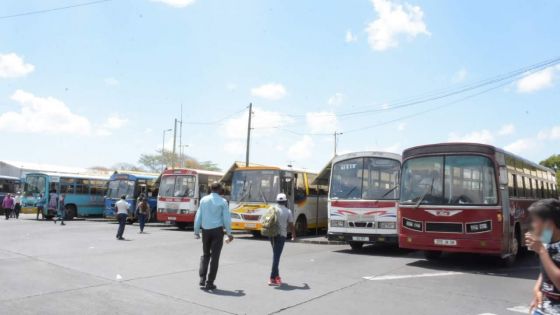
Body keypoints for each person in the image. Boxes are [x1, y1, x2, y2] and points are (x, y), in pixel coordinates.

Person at [194, 182, 233, 291]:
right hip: (217, 231)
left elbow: (198, 216)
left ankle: (202, 279)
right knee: (215, 258)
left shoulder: (203, 200)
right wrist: (229, 233)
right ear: (220, 190)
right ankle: (210, 283)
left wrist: (196, 231)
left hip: (205, 231)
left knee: (205, 255)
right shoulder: (223, 201)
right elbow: (226, 219)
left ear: (211, 189)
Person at [526, 199, 560, 315]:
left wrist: (541, 250)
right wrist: (537, 288)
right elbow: (546, 268)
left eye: (535, 221)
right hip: (545, 307)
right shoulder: (546, 239)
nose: (532, 225)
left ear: (548, 223)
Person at [268, 193, 296, 286]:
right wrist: (293, 235)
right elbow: (291, 225)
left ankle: (276, 277)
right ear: (285, 201)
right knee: (276, 257)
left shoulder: (272, 208)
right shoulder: (288, 211)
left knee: (275, 256)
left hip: (271, 235)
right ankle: (273, 278)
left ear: (277, 201)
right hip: (281, 235)